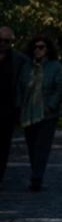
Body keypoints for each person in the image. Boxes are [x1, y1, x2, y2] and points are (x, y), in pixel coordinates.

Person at [16, 34, 62, 191]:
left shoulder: (55, 66)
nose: (37, 50)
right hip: (28, 112)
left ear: (47, 49)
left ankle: (37, 177)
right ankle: (35, 173)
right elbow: (20, 87)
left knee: (42, 147)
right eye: (35, 47)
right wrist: (19, 106)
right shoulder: (26, 67)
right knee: (32, 146)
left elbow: (60, 88)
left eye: (41, 47)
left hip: (47, 114)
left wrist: (50, 105)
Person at [0, 26, 28, 189]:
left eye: (7, 41)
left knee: (4, 145)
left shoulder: (18, 59)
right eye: (0, 40)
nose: (3, 43)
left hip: (8, 109)